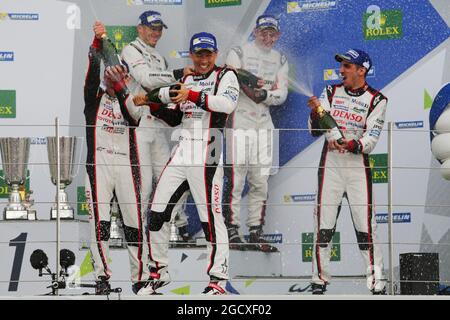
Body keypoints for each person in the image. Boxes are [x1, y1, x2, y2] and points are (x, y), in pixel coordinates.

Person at [130, 32, 240, 295]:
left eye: (208, 54)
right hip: (183, 149)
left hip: (209, 148)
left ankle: (217, 280)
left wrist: (191, 95)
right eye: (199, 54)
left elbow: (226, 104)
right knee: (157, 213)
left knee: (210, 218)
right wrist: (150, 104)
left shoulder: (226, 76)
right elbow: (174, 119)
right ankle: (159, 272)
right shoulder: (187, 78)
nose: (204, 59)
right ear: (191, 55)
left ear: (215, 54)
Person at [307, 49, 387, 295]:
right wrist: (315, 113)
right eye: (341, 66)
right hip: (330, 165)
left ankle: (377, 284)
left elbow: (371, 140)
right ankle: (319, 281)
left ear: (361, 70)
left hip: (356, 168)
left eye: (347, 66)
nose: (341, 70)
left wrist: (352, 144)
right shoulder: (330, 92)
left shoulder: (377, 99)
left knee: (366, 228)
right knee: (324, 225)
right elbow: (314, 129)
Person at [84, 21, 150, 294]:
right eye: (111, 72)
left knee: (134, 223)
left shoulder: (131, 99)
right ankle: (102, 277)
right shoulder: (93, 98)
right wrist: (98, 44)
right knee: (99, 223)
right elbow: (91, 72)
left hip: (126, 165)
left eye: (119, 73)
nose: (114, 76)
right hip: (98, 166)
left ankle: (140, 279)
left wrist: (122, 88)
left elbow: (134, 117)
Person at [120, 10, 193, 254]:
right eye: (151, 28)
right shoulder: (131, 50)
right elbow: (145, 79)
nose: (156, 33)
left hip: (157, 126)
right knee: (142, 186)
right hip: (136, 125)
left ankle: (167, 227)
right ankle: (135, 232)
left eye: (159, 28)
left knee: (170, 179)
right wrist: (176, 75)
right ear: (139, 28)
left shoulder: (160, 58)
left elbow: (162, 93)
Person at [223, 14, 288, 252]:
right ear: (255, 32)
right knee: (237, 179)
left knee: (260, 181)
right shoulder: (238, 52)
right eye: (263, 32)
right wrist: (253, 89)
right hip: (239, 120)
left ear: (277, 35)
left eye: (272, 34)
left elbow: (282, 95)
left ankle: (255, 231)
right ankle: (231, 230)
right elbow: (230, 81)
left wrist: (265, 96)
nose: (267, 37)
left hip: (264, 123)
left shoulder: (280, 58)